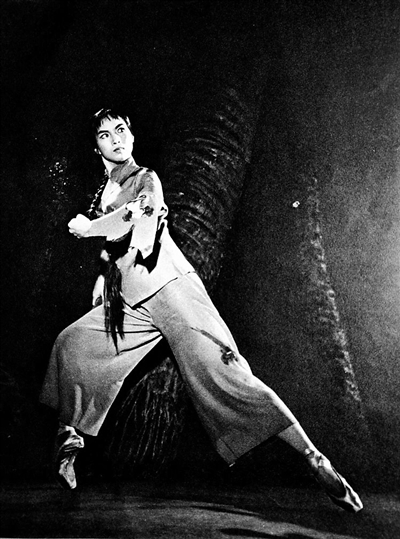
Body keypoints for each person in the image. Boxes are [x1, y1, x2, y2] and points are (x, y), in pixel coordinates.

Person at [40, 108, 363, 513]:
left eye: (121, 130)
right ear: (96, 147)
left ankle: (314, 458)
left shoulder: (146, 178)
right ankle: (69, 439)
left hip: (171, 291)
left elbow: (137, 215)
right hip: (133, 301)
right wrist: (103, 276)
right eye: (105, 135)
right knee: (72, 344)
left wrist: (91, 228)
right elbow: (115, 246)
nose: (116, 139)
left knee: (227, 374)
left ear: (132, 137)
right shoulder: (103, 191)